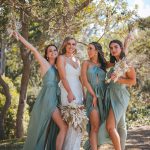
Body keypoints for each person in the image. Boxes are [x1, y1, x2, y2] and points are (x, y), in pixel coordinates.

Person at [13, 31, 67, 150]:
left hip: (54, 98)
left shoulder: (58, 68)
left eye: (55, 50)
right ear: (47, 55)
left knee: (47, 129)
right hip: (48, 99)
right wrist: (20, 37)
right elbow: (33, 49)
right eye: (50, 51)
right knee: (63, 127)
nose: (53, 52)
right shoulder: (45, 64)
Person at [104, 40, 136, 150]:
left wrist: (118, 79)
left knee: (110, 126)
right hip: (110, 95)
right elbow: (100, 64)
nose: (113, 50)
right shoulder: (114, 63)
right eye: (111, 48)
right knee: (121, 125)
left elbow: (133, 81)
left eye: (115, 47)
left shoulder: (126, 63)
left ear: (121, 48)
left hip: (120, 96)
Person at [57, 37, 83, 150]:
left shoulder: (77, 60)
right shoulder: (61, 58)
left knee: (78, 124)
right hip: (67, 92)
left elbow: (81, 79)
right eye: (69, 44)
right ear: (64, 45)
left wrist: (84, 95)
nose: (71, 46)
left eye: (73, 44)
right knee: (72, 123)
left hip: (79, 92)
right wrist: (69, 92)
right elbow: (63, 77)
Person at [81, 42, 107, 150]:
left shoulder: (103, 64)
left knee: (103, 125)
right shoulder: (85, 63)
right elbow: (84, 81)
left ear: (97, 51)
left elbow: (120, 63)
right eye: (87, 49)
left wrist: (126, 44)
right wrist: (93, 95)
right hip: (92, 97)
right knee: (94, 127)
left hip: (103, 96)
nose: (88, 51)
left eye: (90, 48)